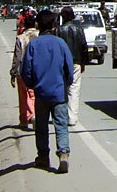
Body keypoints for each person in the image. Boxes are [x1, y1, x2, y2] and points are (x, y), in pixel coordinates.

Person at [21, 9, 74, 174]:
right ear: (54, 24)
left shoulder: (33, 45)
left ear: (38, 25)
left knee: (41, 127)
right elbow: (69, 70)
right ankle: (63, 154)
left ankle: (43, 157)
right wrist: (65, 84)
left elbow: (25, 72)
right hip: (59, 93)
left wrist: (33, 85)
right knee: (61, 125)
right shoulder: (61, 44)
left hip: (41, 93)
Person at [55, 7, 89, 127]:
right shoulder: (79, 29)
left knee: (63, 89)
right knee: (74, 90)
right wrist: (83, 63)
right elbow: (84, 47)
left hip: (62, 63)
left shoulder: (58, 30)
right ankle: (72, 118)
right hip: (75, 63)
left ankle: (62, 116)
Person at [10, 11, 39, 129]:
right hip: (37, 71)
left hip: (22, 72)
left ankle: (24, 120)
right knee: (34, 95)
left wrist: (13, 72)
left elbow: (17, 57)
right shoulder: (40, 36)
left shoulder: (20, 38)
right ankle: (35, 115)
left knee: (23, 96)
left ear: (25, 25)